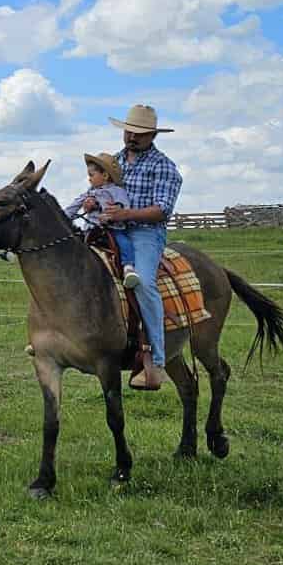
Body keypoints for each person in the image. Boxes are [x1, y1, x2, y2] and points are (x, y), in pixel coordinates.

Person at [94, 104, 182, 392]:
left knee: (143, 283)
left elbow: (162, 210)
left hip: (145, 233)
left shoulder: (164, 166)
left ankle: (156, 357)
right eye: (129, 131)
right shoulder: (113, 162)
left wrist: (125, 215)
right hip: (110, 227)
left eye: (140, 134)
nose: (133, 137)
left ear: (153, 135)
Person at [67, 152, 140, 290]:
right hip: (91, 229)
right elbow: (75, 205)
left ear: (105, 175)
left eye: (91, 175)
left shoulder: (117, 191)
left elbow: (123, 205)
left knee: (123, 241)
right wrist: (62, 217)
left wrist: (110, 213)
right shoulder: (90, 193)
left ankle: (128, 267)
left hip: (112, 229)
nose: (89, 179)